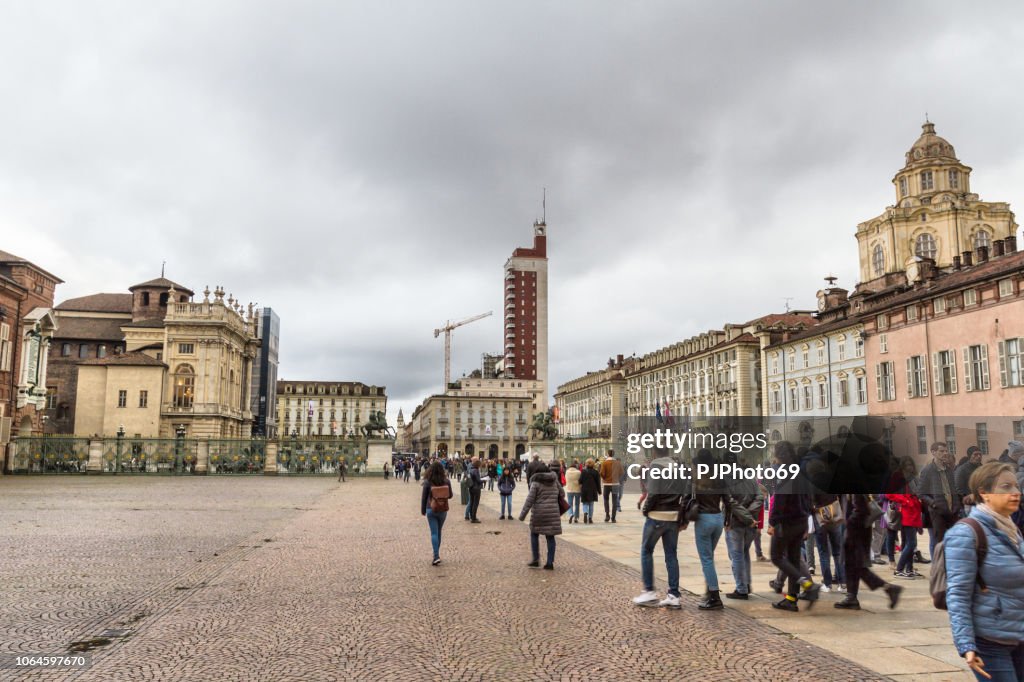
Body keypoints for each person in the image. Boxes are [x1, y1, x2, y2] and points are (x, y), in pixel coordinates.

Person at [945, 462, 1024, 681]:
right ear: (984, 493)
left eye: (1016, 486)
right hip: (989, 641)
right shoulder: (966, 533)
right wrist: (966, 645)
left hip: (1018, 635)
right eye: (1006, 487)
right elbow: (958, 594)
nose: (1015, 492)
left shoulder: (1011, 529)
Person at [768, 441, 821, 612]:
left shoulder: (785, 473)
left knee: (776, 556)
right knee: (793, 559)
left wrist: (773, 521)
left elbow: (780, 499)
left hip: (787, 521)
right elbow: (808, 498)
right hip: (801, 520)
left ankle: (806, 584)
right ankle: (791, 599)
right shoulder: (801, 472)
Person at [634, 446, 685, 609]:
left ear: (654, 453)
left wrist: (646, 508)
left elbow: (654, 492)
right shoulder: (677, 467)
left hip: (657, 515)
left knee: (646, 550)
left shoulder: (656, 467)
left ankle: (649, 591)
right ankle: (674, 594)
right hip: (673, 516)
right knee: (671, 554)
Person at [834, 492, 902, 610]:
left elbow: (861, 509)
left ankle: (889, 588)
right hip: (858, 528)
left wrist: (850, 523)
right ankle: (852, 596)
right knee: (852, 565)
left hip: (856, 529)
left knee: (857, 565)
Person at [725, 452, 765, 600]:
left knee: (736, 555)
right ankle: (747, 584)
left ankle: (741, 588)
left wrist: (745, 516)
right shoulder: (750, 477)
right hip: (751, 523)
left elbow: (730, 502)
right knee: (745, 553)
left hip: (735, 522)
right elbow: (760, 496)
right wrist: (749, 514)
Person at [692, 449, 728, 611]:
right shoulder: (719, 477)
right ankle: (709, 591)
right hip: (717, 518)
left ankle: (714, 596)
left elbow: (688, 499)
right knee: (709, 558)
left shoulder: (696, 478)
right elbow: (728, 500)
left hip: (703, 519)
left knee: (706, 559)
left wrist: (682, 521)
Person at [918, 442, 964, 557]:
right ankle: (938, 570)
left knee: (953, 541)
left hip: (952, 510)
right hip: (938, 512)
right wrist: (933, 503)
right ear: (933, 452)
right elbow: (920, 492)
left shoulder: (949, 469)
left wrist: (958, 504)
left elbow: (954, 489)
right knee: (939, 542)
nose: (945, 453)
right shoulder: (928, 470)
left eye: (946, 451)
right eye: (941, 451)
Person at [518, 461, 563, 569]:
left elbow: (529, 500)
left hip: (539, 512)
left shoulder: (535, 483)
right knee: (550, 537)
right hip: (552, 512)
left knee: (534, 534)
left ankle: (535, 559)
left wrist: (522, 515)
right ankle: (549, 562)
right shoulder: (554, 480)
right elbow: (562, 493)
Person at [887, 456, 923, 579]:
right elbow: (889, 494)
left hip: (914, 512)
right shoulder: (897, 478)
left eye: (911, 465)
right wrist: (905, 501)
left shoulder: (913, 478)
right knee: (910, 543)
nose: (910, 467)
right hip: (904, 512)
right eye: (907, 465)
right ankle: (900, 569)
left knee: (909, 542)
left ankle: (909, 569)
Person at [420, 461, 453, 566]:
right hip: (443, 509)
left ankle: (436, 556)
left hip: (431, 508)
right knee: (439, 532)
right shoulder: (446, 481)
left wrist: (423, 510)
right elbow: (450, 495)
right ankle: (436, 555)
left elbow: (424, 497)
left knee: (434, 533)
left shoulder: (428, 482)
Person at [600, 449, 624, 523]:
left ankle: (607, 515)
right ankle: (613, 517)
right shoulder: (618, 463)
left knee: (606, 500)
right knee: (614, 501)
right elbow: (622, 472)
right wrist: (616, 478)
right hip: (615, 484)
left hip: (607, 484)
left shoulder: (604, 463)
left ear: (608, 454)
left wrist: (605, 479)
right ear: (614, 454)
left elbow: (602, 473)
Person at [578, 458, 601, 524]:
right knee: (591, 504)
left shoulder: (583, 471)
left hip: (585, 489)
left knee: (585, 503)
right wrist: (599, 491)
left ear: (586, 464)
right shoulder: (596, 472)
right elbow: (598, 483)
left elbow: (580, 481)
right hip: (593, 490)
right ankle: (590, 518)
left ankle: (585, 512)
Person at [466, 457, 483, 523]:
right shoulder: (476, 470)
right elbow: (478, 480)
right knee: (475, 503)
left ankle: (471, 516)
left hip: (471, 487)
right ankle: (474, 518)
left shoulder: (471, 469)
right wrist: (484, 480)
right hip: (476, 488)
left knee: (472, 502)